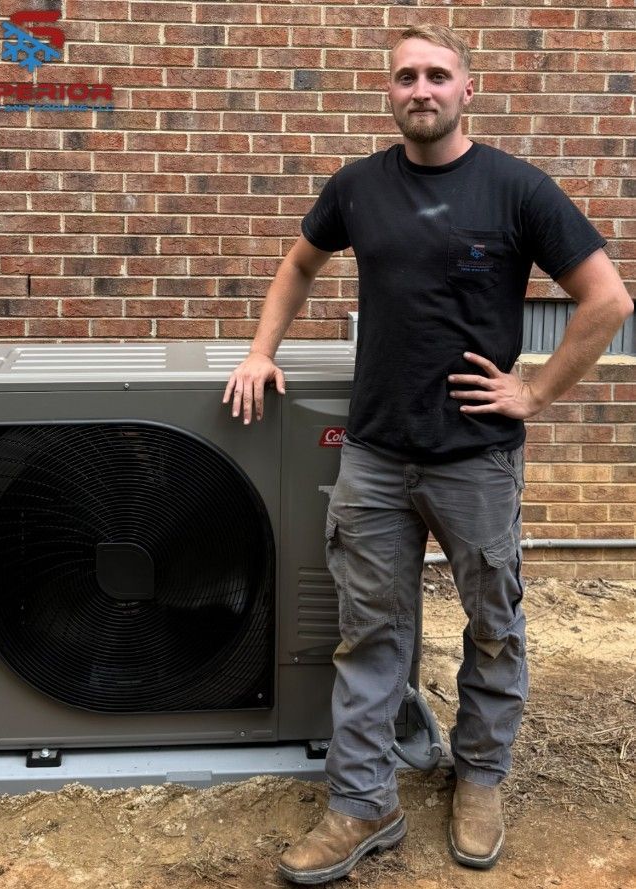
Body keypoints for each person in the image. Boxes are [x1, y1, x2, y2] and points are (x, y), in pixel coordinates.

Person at [223, 24, 633, 884]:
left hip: (476, 459)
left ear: (467, 90)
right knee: (369, 635)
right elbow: (298, 265)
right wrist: (263, 350)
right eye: (407, 76)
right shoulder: (359, 187)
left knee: (493, 627)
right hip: (373, 456)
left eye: (438, 75)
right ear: (390, 92)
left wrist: (537, 390)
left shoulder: (517, 189)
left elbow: (604, 299)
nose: (422, 89)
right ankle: (361, 800)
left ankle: (479, 776)